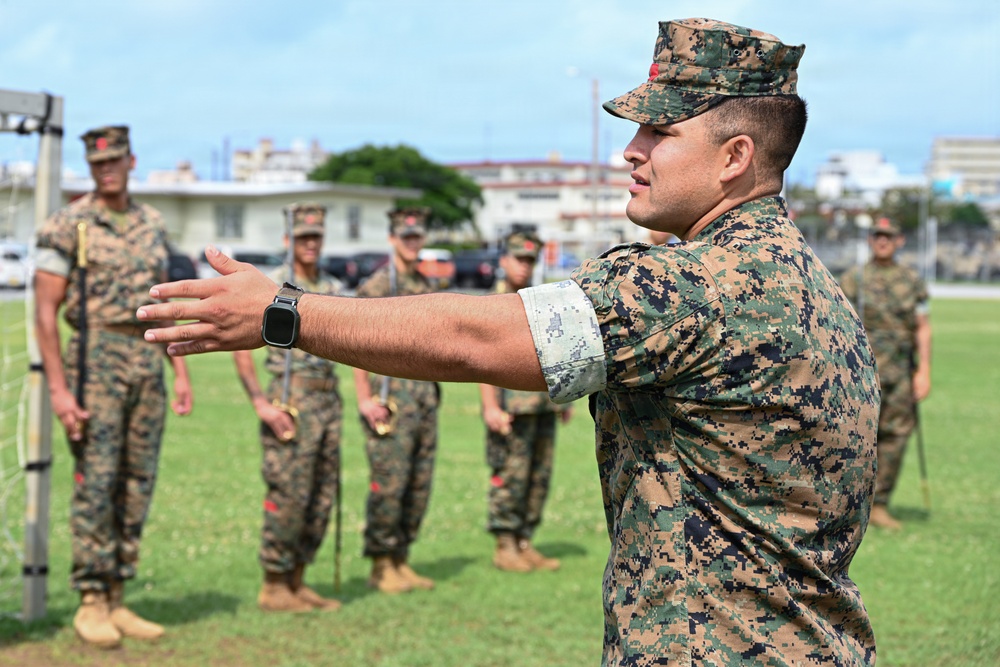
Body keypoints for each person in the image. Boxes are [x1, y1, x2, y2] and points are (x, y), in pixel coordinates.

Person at [138, 18, 880, 665]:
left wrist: (285, 313)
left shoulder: (699, 286)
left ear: (734, 157)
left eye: (661, 132)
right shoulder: (815, 287)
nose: (632, 150)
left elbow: (475, 338)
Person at [34, 125, 193, 649]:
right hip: (94, 359)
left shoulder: (152, 223)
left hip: (146, 357)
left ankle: (119, 594)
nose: (107, 170)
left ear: (131, 162)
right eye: (98, 163)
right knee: (97, 480)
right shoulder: (68, 224)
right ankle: (92, 599)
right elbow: (45, 313)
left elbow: (164, 302)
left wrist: (180, 371)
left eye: (115, 161)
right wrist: (59, 391)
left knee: (137, 479)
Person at [232, 203, 344, 612]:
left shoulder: (330, 287)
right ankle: (275, 584)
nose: (310, 244)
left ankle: (298, 578)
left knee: (321, 495)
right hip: (290, 402)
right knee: (290, 494)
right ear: (288, 239)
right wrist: (261, 404)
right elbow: (242, 348)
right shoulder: (274, 288)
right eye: (302, 237)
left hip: (327, 400)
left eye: (316, 236)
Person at [352, 207, 440, 594]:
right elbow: (355, 346)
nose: (412, 243)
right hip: (390, 400)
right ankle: (381, 563)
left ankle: (401, 559)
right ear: (392, 239)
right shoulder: (377, 286)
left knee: (418, 484)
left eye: (417, 237)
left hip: (423, 397)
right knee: (389, 484)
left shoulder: (423, 284)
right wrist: (364, 399)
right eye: (405, 237)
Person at [480, 231, 572, 573]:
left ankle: (524, 541)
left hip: (542, 405)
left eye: (529, 260)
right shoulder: (494, 302)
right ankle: (505, 545)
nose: (524, 266)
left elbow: (555, 350)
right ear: (504, 261)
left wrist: (564, 399)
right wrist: (490, 406)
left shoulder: (539, 300)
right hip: (512, 408)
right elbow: (480, 361)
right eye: (518, 259)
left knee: (538, 476)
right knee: (511, 474)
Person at [839, 216, 932, 531]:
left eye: (889, 236)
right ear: (870, 239)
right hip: (861, 373)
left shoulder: (911, 281)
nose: (882, 241)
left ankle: (879, 504)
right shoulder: (854, 279)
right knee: (856, 437)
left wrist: (924, 371)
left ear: (899, 240)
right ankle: (848, 505)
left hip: (900, 373)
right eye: (878, 235)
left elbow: (923, 327)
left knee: (896, 436)